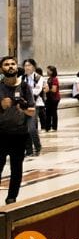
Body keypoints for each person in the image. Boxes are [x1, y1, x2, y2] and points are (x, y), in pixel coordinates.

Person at [0, 56, 35, 203]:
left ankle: (11, 198)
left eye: (13, 64)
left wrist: (23, 108)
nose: (10, 66)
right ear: (1, 69)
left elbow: (32, 111)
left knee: (16, 168)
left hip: (19, 134)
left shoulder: (26, 87)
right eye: (6, 64)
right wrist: (2, 106)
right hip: (0, 133)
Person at [22, 60, 43, 156]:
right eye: (25, 65)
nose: (27, 67)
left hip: (35, 104)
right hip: (23, 106)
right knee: (25, 129)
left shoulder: (39, 78)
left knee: (31, 128)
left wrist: (26, 92)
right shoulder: (21, 78)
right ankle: (29, 150)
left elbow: (36, 91)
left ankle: (37, 146)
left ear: (34, 67)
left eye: (29, 65)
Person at [44, 65, 61, 132]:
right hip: (49, 98)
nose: (47, 72)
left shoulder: (54, 79)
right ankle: (48, 127)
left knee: (53, 112)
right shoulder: (49, 79)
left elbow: (54, 90)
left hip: (54, 98)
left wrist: (48, 90)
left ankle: (54, 127)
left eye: (48, 70)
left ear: (52, 71)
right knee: (48, 112)